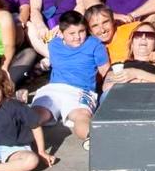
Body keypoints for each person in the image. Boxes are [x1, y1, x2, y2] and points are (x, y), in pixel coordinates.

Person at [31, 11, 108, 147]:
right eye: (71, 33)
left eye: (81, 31)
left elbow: (106, 72)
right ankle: (16, 138)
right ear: (61, 33)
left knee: (81, 116)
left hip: (81, 91)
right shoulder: (54, 44)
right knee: (39, 114)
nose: (77, 37)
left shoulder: (95, 45)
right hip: (54, 88)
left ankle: (94, 143)